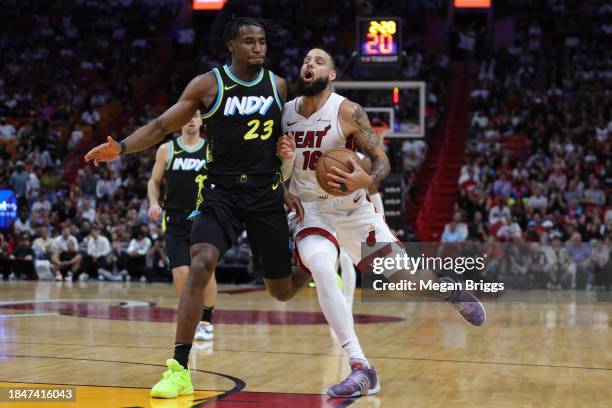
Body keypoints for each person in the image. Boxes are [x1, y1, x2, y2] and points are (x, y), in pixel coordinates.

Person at [84, 17, 309, 399]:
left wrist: (286, 187)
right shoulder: (208, 84)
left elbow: (280, 145)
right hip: (220, 192)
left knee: (282, 291)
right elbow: (159, 126)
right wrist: (120, 147)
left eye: (263, 42)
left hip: (265, 192)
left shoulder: (279, 85)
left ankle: (314, 267)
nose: (258, 48)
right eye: (250, 42)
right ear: (231, 47)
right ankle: (179, 368)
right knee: (200, 262)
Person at [277, 48, 486, 398]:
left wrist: (365, 181)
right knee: (323, 268)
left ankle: (448, 289)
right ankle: (361, 367)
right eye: (306, 61)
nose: (309, 65)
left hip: (353, 212)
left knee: (405, 281)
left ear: (332, 76)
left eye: (319, 61)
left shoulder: (348, 112)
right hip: (310, 210)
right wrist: (283, 171)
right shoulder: (284, 115)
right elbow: (277, 170)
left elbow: (381, 162)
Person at [148, 110, 217, 341]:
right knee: (181, 271)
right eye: (187, 116)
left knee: (205, 268)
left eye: (195, 116)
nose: (191, 120)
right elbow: (154, 181)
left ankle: (207, 320)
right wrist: (153, 202)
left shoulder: (211, 149)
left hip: (204, 216)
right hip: (175, 218)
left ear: (201, 121)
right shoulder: (167, 149)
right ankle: (192, 313)